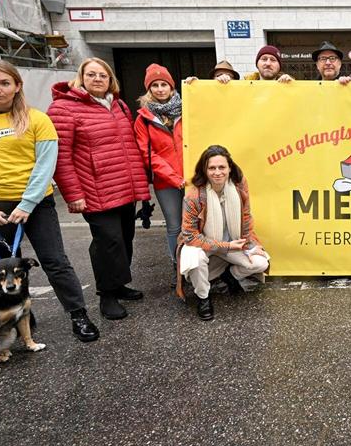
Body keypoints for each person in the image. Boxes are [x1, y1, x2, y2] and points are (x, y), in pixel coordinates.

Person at [0, 60, 100, 343]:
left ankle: (78, 314)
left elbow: (45, 165)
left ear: (17, 86)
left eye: (4, 83)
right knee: (1, 268)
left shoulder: (37, 120)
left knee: (55, 261)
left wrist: (27, 204)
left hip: (36, 205)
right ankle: (17, 317)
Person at [48, 58, 150, 321]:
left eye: (102, 75)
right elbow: (60, 157)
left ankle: (119, 284)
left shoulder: (118, 105)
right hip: (95, 189)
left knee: (125, 238)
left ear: (110, 79)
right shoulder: (63, 108)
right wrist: (74, 194)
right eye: (91, 74)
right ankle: (107, 295)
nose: (97, 79)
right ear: (81, 77)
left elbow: (129, 148)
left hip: (124, 187)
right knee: (108, 242)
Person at [178, 145, 270, 321]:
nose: (217, 172)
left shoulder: (239, 186)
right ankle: (203, 297)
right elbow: (190, 236)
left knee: (260, 262)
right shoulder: (194, 196)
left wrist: (251, 245)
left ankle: (229, 275)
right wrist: (224, 246)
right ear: (204, 170)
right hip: (203, 244)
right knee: (195, 260)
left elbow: (246, 217)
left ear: (229, 168)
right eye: (212, 168)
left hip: (233, 243)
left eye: (222, 167)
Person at [134, 63, 185, 270]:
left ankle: (200, 267)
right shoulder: (143, 119)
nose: (160, 89)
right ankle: (178, 267)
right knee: (174, 226)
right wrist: (174, 178)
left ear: (172, 87)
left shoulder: (187, 109)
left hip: (192, 177)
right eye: (155, 85)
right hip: (166, 183)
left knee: (198, 225)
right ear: (149, 90)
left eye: (164, 84)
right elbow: (149, 155)